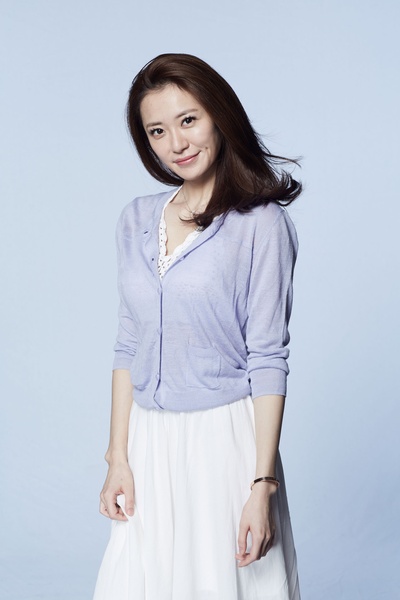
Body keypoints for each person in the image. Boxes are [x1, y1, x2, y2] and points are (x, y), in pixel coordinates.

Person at [93, 53, 302, 600]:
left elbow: (268, 357)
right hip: (148, 442)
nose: (176, 143)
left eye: (188, 120)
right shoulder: (135, 219)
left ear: (219, 117)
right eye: (157, 130)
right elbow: (128, 342)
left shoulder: (262, 224)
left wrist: (261, 484)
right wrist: (118, 456)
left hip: (224, 443)